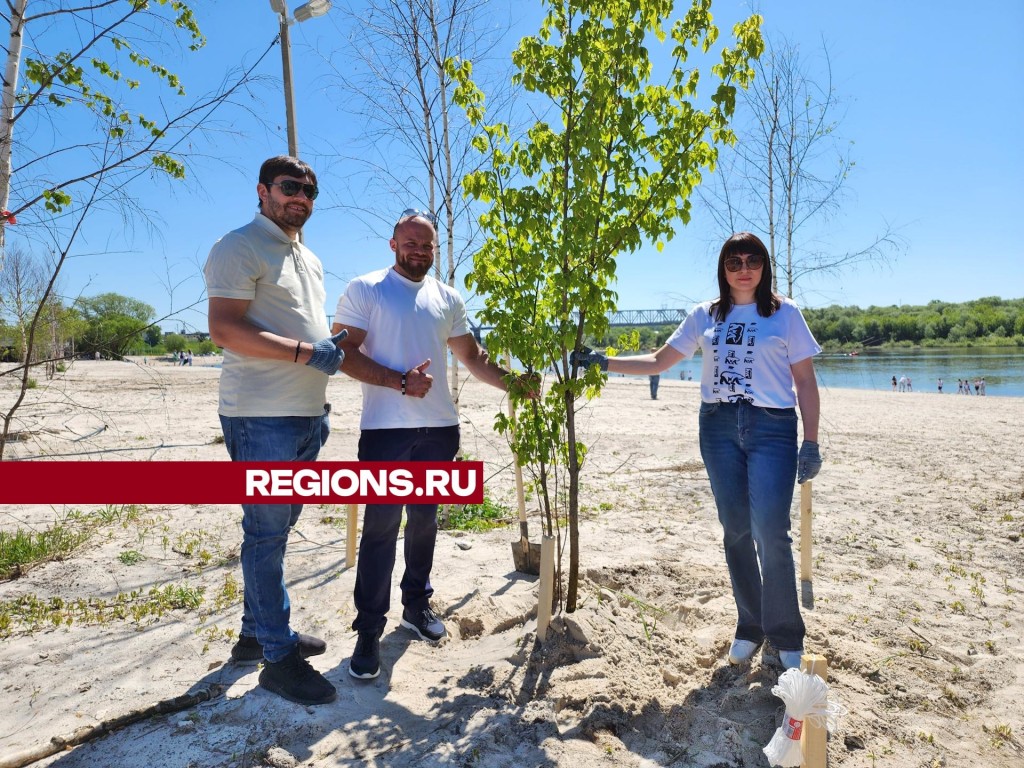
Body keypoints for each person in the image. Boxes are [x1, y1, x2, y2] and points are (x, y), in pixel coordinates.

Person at [572, 232, 821, 671]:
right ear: (723, 269)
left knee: (771, 532)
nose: (744, 268)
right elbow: (658, 361)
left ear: (764, 266)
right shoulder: (704, 315)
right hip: (718, 426)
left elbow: (804, 381)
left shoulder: (786, 315)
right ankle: (750, 625)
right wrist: (603, 362)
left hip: (772, 427)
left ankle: (785, 634)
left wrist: (811, 441)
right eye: (734, 261)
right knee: (737, 530)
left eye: (753, 260)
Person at [332, 208, 536, 681]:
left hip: (440, 429)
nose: (419, 251)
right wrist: (400, 382)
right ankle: (368, 630)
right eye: (411, 243)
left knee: (424, 523)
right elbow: (342, 353)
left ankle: (416, 607)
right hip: (385, 431)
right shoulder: (365, 289)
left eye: (427, 245)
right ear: (393, 243)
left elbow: (473, 357)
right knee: (381, 530)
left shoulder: (448, 297)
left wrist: (513, 384)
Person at [204, 155, 347, 707]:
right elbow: (224, 328)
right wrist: (309, 351)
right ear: (262, 190)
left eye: (310, 191)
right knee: (265, 535)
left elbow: (304, 330)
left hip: (308, 414)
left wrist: (332, 346)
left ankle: (253, 635)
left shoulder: (306, 256)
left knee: (276, 531)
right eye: (290, 188)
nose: (301, 198)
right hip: (259, 415)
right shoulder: (238, 245)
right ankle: (277, 659)